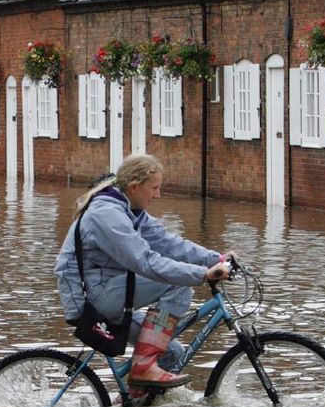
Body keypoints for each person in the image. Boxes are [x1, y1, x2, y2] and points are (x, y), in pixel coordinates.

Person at [54, 154, 231, 391]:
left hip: (112, 290)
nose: (157, 195)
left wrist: (217, 258)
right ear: (135, 187)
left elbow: (168, 243)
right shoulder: (107, 215)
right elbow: (145, 262)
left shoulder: (131, 210)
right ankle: (144, 366)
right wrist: (202, 274)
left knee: (172, 352)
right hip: (92, 300)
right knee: (176, 283)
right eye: (154, 188)